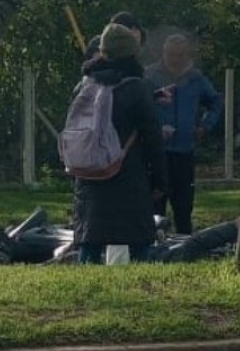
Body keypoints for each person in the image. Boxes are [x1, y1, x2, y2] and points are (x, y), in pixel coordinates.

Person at [72, 23, 167, 264]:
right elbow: (153, 138)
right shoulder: (137, 88)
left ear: (103, 52)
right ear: (132, 54)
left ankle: (84, 288)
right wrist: (160, 181)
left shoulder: (84, 86)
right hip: (128, 174)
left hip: (90, 174)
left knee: (90, 240)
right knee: (138, 241)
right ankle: (139, 288)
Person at [144, 33, 223, 234]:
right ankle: (153, 252)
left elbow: (216, 102)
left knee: (184, 208)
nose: (175, 60)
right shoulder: (151, 76)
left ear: (187, 56)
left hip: (184, 152)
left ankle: (186, 249)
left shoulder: (196, 79)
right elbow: (141, 106)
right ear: (163, 53)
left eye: (180, 55)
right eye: (171, 54)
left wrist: (205, 126)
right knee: (154, 208)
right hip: (156, 153)